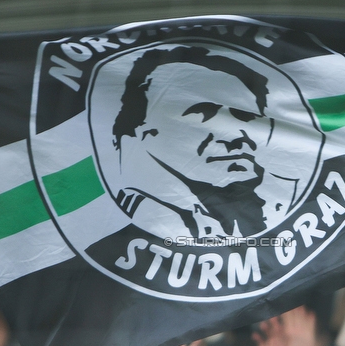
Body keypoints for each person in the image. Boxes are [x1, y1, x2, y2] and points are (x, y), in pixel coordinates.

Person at [108, 44, 304, 239]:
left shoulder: (288, 198)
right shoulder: (121, 219)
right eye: (204, 114)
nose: (236, 135)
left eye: (246, 116)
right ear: (142, 129)